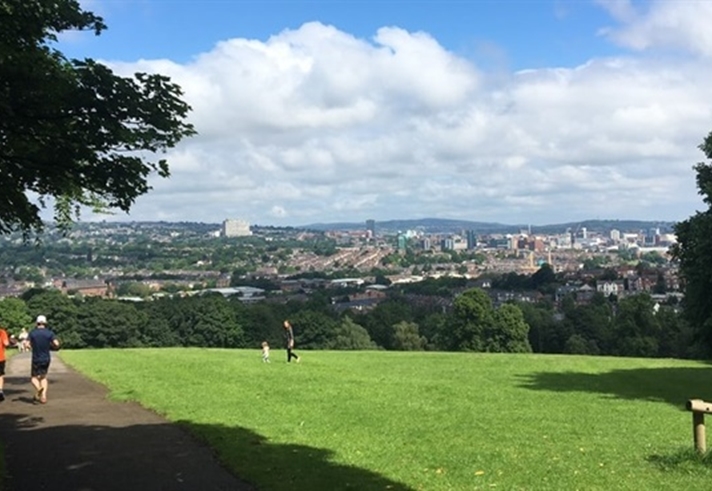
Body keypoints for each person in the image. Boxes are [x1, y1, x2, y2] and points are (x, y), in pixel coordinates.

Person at [28, 315, 60, 404]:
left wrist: (31, 346)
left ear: (37, 323)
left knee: (34, 378)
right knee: (43, 377)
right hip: (46, 358)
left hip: (36, 358)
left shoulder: (32, 333)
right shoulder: (49, 333)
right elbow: (57, 343)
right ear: (45, 323)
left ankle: (39, 389)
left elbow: (27, 344)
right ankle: (44, 396)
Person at [0, 325, 12, 402]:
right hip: (0, 357)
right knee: (0, 375)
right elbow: (6, 343)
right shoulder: (2, 332)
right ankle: (0, 390)